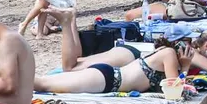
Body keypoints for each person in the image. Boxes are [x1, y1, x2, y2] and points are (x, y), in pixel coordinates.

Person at [32, 8, 185, 94]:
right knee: (43, 83)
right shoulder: (169, 54)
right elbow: (175, 92)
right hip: (108, 79)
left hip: (109, 78)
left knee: (44, 82)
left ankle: (69, 21)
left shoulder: (165, 54)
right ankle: (66, 22)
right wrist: (185, 66)